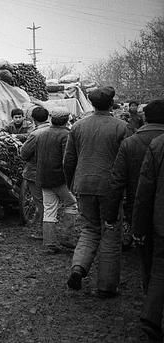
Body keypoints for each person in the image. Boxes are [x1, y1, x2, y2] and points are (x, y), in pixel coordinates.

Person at [64, 86, 130, 297]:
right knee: (110, 232)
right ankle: (107, 287)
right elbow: (127, 162)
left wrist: (72, 184)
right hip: (110, 188)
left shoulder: (78, 126)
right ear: (112, 104)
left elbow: (68, 161)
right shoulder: (122, 127)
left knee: (90, 229)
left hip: (84, 185)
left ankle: (78, 268)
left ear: (92, 104)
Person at [106, 99, 164, 294]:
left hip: (140, 206)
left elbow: (117, 180)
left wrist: (111, 214)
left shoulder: (130, 143)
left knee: (149, 260)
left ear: (144, 118)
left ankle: (150, 299)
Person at [31, 107, 78, 253]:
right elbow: (68, 160)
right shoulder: (66, 135)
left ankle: (49, 243)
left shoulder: (42, 134)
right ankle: (66, 237)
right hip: (60, 179)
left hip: (43, 178)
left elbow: (34, 156)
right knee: (72, 204)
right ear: (66, 120)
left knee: (49, 210)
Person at [133, 133, 164, 342]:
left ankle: (151, 317)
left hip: (162, 221)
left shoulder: (159, 144)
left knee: (160, 269)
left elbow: (144, 190)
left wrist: (139, 227)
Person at [19, 106, 50, 240]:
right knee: (50, 202)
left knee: (41, 203)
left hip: (36, 172)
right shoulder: (57, 130)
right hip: (54, 172)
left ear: (33, 119)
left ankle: (45, 233)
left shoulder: (35, 134)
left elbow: (24, 154)